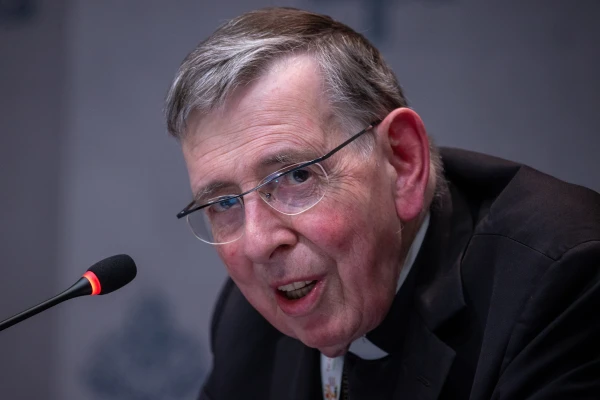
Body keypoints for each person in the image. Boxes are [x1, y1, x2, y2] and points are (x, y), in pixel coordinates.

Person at [164, 7, 600, 400]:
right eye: (223, 203)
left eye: (296, 176)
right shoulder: (246, 324)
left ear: (403, 162)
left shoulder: (561, 282)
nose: (259, 243)